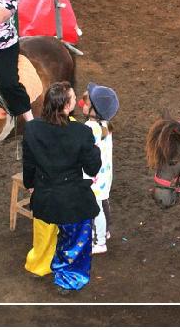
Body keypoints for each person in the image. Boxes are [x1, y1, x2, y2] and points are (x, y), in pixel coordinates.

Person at [22, 81, 102, 295]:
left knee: (49, 232)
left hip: (44, 199)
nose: (77, 100)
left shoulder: (31, 129)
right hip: (71, 201)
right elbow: (92, 168)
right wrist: (94, 148)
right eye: (74, 98)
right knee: (77, 236)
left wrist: (31, 186)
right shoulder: (81, 132)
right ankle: (67, 278)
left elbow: (28, 164)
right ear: (67, 106)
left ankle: (42, 264)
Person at [79, 82, 120, 255]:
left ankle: (99, 241)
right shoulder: (105, 124)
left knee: (95, 209)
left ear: (94, 110)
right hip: (104, 175)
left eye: (86, 103)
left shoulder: (90, 128)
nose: (82, 104)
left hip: (94, 176)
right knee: (103, 203)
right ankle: (105, 232)